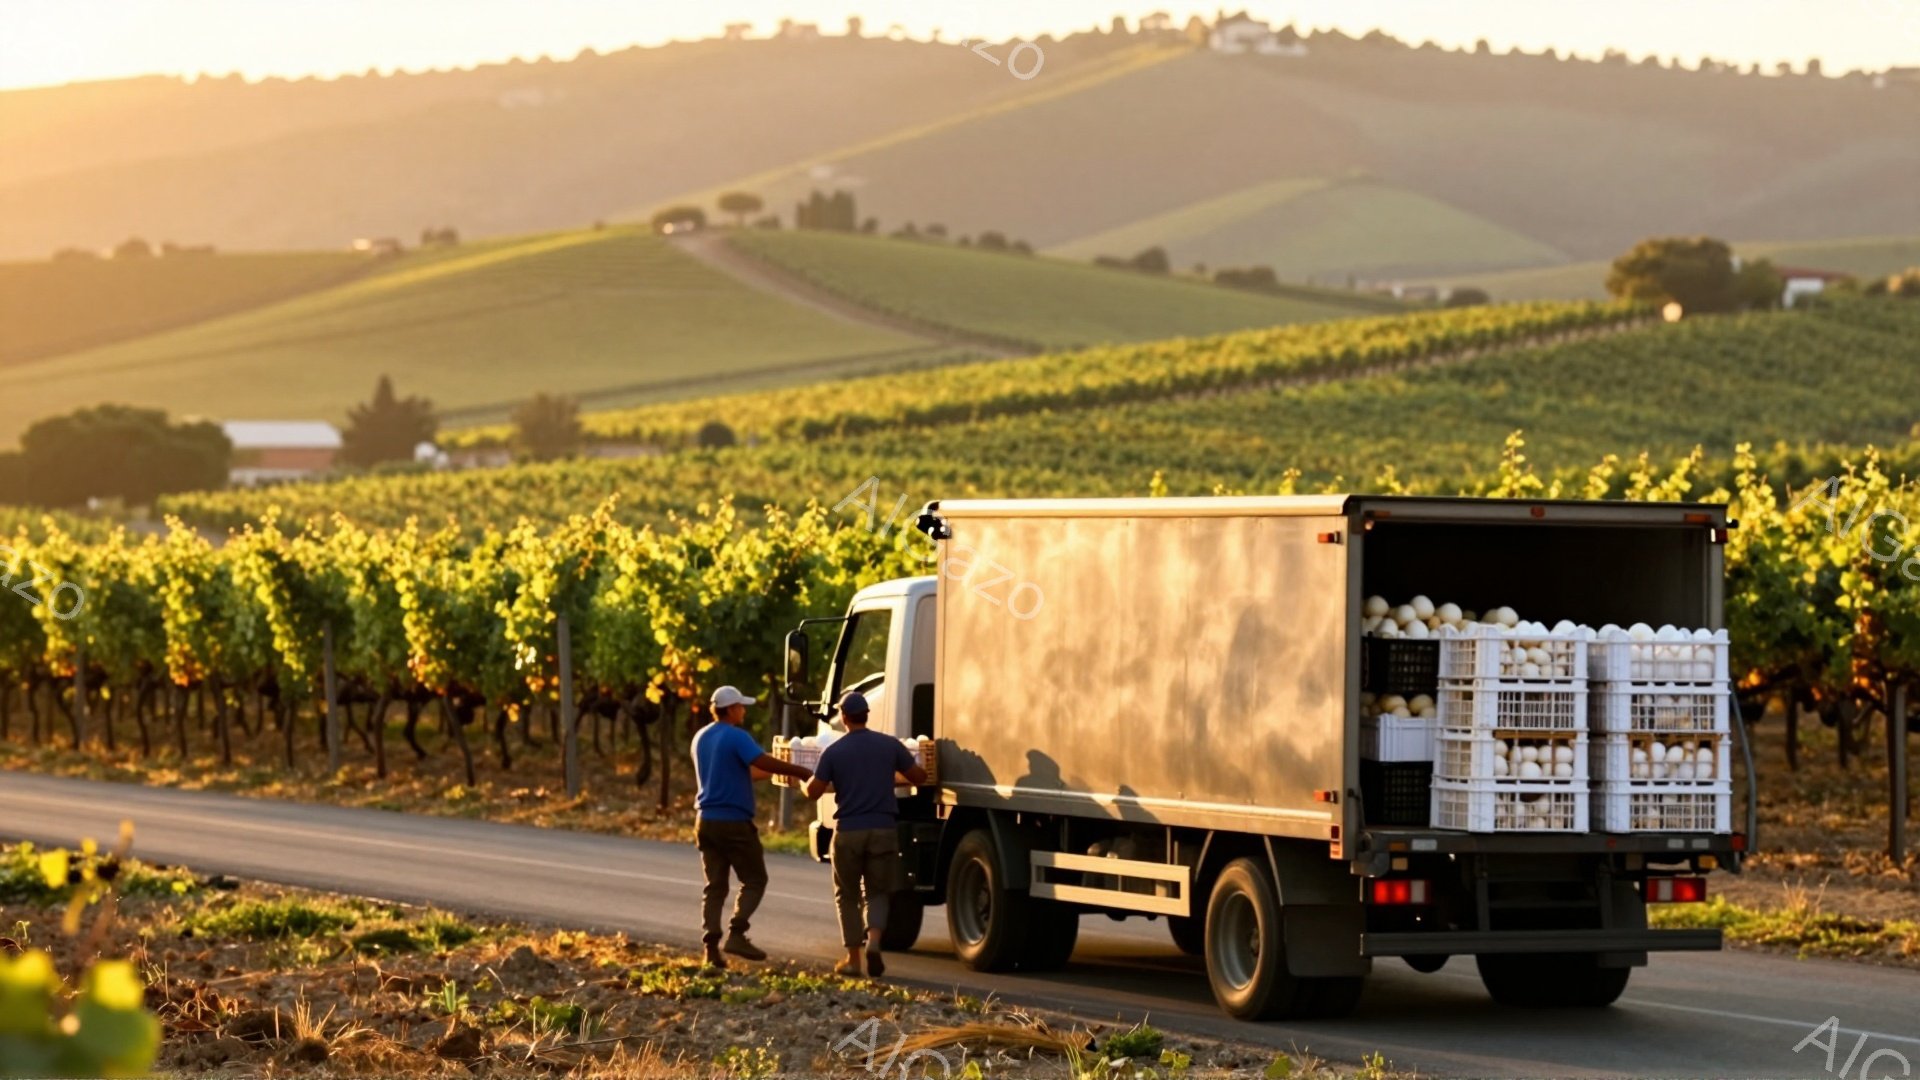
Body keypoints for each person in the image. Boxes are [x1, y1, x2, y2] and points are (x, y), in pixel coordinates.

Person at [805, 690, 928, 977]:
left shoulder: (833, 751)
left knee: (847, 895)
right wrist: (889, 779)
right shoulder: (889, 746)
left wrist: (803, 782)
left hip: (848, 831)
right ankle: (874, 941)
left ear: (844, 718)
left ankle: (853, 959)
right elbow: (919, 778)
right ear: (866, 715)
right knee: (877, 891)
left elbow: (813, 791)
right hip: (884, 829)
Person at [692, 684, 812, 970]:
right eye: (741, 706)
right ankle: (737, 932)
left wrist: (777, 774)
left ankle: (711, 948)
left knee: (715, 886)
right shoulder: (736, 736)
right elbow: (761, 761)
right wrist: (801, 770)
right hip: (733, 822)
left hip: (705, 821)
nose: (744, 711)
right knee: (755, 880)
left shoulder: (701, 737)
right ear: (731, 709)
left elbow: (745, 772)